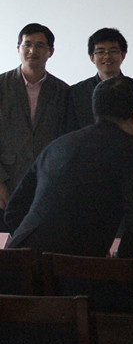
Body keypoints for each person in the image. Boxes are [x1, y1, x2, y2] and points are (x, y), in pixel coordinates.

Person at [5, 76, 133, 257]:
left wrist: (30, 247)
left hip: (18, 260)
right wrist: (121, 261)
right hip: (76, 265)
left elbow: (13, 210)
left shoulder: (58, 145)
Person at [0, 23, 69, 233]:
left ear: (51, 52)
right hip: (6, 183)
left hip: (46, 186)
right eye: (27, 44)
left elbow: (65, 141)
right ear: (18, 48)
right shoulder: (2, 86)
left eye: (40, 46)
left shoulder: (63, 91)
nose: (32, 50)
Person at [67, 27, 133, 135]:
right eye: (100, 52)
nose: (107, 56)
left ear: (123, 55)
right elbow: (70, 131)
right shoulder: (76, 93)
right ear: (91, 57)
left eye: (113, 51)